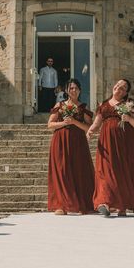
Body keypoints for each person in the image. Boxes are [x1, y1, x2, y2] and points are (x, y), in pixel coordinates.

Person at [87, 79, 134, 217]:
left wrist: (128, 119)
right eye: (117, 85)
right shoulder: (103, 105)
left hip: (124, 142)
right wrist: (90, 131)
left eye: (123, 88)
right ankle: (104, 203)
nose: (119, 88)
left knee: (122, 171)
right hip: (106, 142)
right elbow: (96, 123)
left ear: (125, 93)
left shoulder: (129, 105)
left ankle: (121, 205)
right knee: (104, 171)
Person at [47, 78, 95, 215]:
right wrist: (63, 123)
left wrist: (74, 121)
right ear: (67, 90)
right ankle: (61, 205)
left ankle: (81, 204)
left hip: (78, 142)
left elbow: (89, 128)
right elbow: (50, 125)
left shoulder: (83, 108)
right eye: (70, 88)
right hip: (60, 141)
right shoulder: (60, 105)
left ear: (80, 90)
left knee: (78, 170)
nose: (73, 90)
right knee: (61, 171)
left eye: (75, 88)